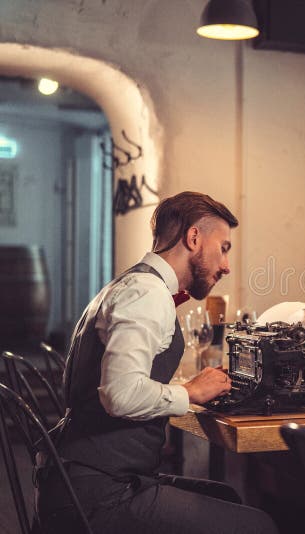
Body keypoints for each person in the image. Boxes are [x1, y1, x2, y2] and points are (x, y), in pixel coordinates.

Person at [37, 192, 278, 534]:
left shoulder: (132, 284)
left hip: (84, 478)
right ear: (194, 238)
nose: (226, 266)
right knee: (259, 526)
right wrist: (189, 392)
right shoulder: (147, 293)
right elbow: (119, 394)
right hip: (95, 497)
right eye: (223, 248)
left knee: (225, 496)